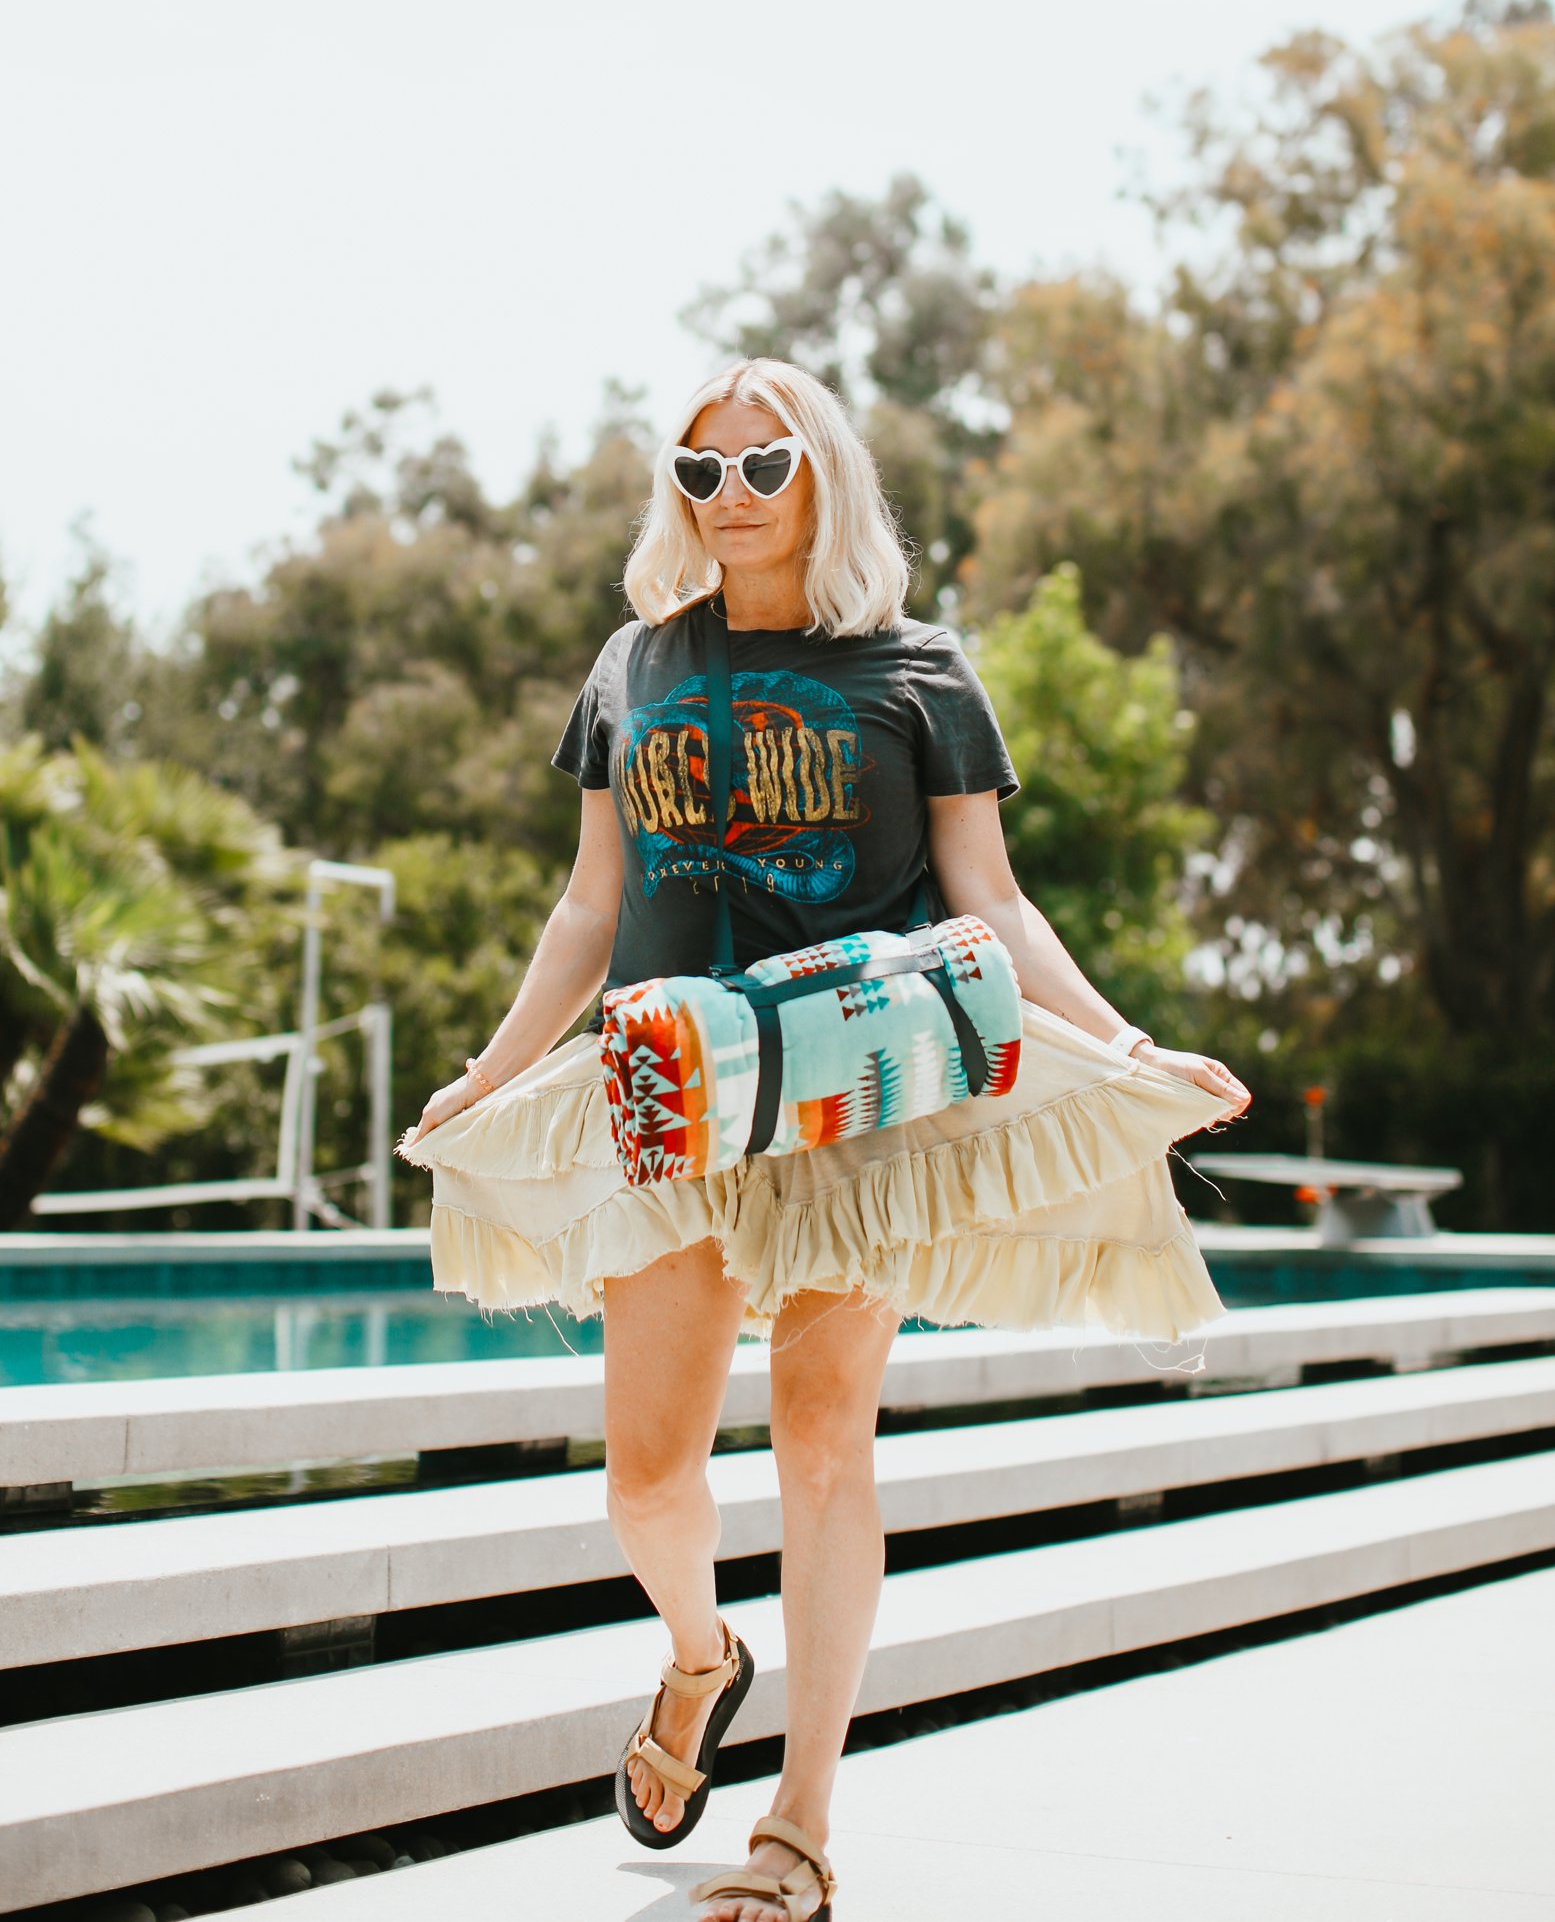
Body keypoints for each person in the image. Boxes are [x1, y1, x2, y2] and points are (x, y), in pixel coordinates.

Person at [402, 357, 1249, 1922]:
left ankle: (798, 1827)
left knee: (819, 1446)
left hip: (852, 1101)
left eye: (762, 465)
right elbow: (591, 904)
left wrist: (1124, 1045)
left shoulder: (918, 671)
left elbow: (987, 900)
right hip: (666, 1095)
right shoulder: (632, 665)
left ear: (824, 475)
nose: (728, 497)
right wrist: (492, 1067)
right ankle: (700, 1656)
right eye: (699, 470)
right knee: (647, 1483)